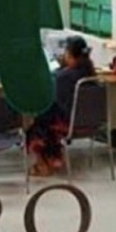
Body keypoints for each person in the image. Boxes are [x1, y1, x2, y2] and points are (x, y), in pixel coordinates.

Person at [27, 36, 96, 177]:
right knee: (45, 120)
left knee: (38, 124)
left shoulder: (63, 76)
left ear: (70, 55)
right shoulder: (91, 74)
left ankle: (44, 163)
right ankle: (53, 159)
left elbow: (54, 99)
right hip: (90, 122)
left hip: (67, 123)